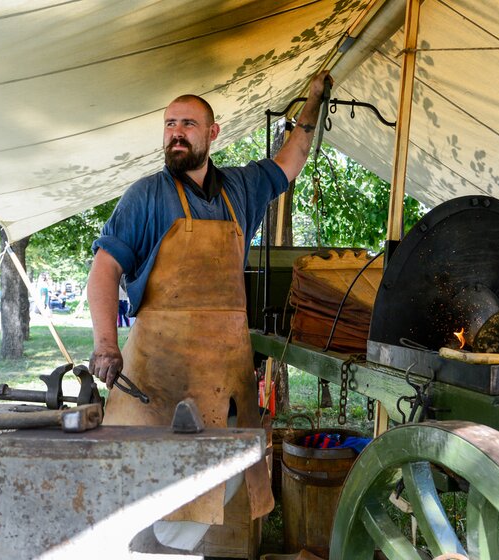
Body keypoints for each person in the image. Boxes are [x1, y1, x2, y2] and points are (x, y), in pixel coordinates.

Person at [87, 71, 332, 549]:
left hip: (223, 376)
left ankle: (164, 549)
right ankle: (144, 547)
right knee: (138, 483)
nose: (176, 133)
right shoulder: (145, 196)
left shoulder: (240, 188)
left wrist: (314, 104)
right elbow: (103, 271)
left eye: (188, 124)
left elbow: (291, 159)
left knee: (229, 467)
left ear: (212, 133)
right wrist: (104, 344)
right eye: (170, 125)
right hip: (155, 376)